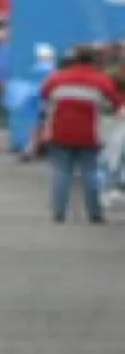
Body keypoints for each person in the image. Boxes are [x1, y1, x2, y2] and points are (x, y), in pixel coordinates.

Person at [39, 45, 123, 224]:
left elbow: (44, 95)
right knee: (90, 171)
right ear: (94, 60)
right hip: (90, 133)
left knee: (61, 171)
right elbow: (115, 103)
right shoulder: (101, 80)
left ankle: (59, 213)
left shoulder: (57, 78)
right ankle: (94, 213)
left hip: (59, 131)